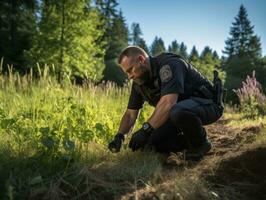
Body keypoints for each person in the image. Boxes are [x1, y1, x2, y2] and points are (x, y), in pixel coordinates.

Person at [108, 46, 223, 160]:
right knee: (147, 144)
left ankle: (200, 144)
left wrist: (145, 129)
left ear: (141, 60)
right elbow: (130, 114)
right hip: (178, 112)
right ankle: (188, 144)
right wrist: (120, 136)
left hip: (208, 105)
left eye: (130, 70)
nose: (130, 76)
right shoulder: (139, 82)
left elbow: (168, 103)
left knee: (177, 110)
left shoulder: (169, 65)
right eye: (126, 73)